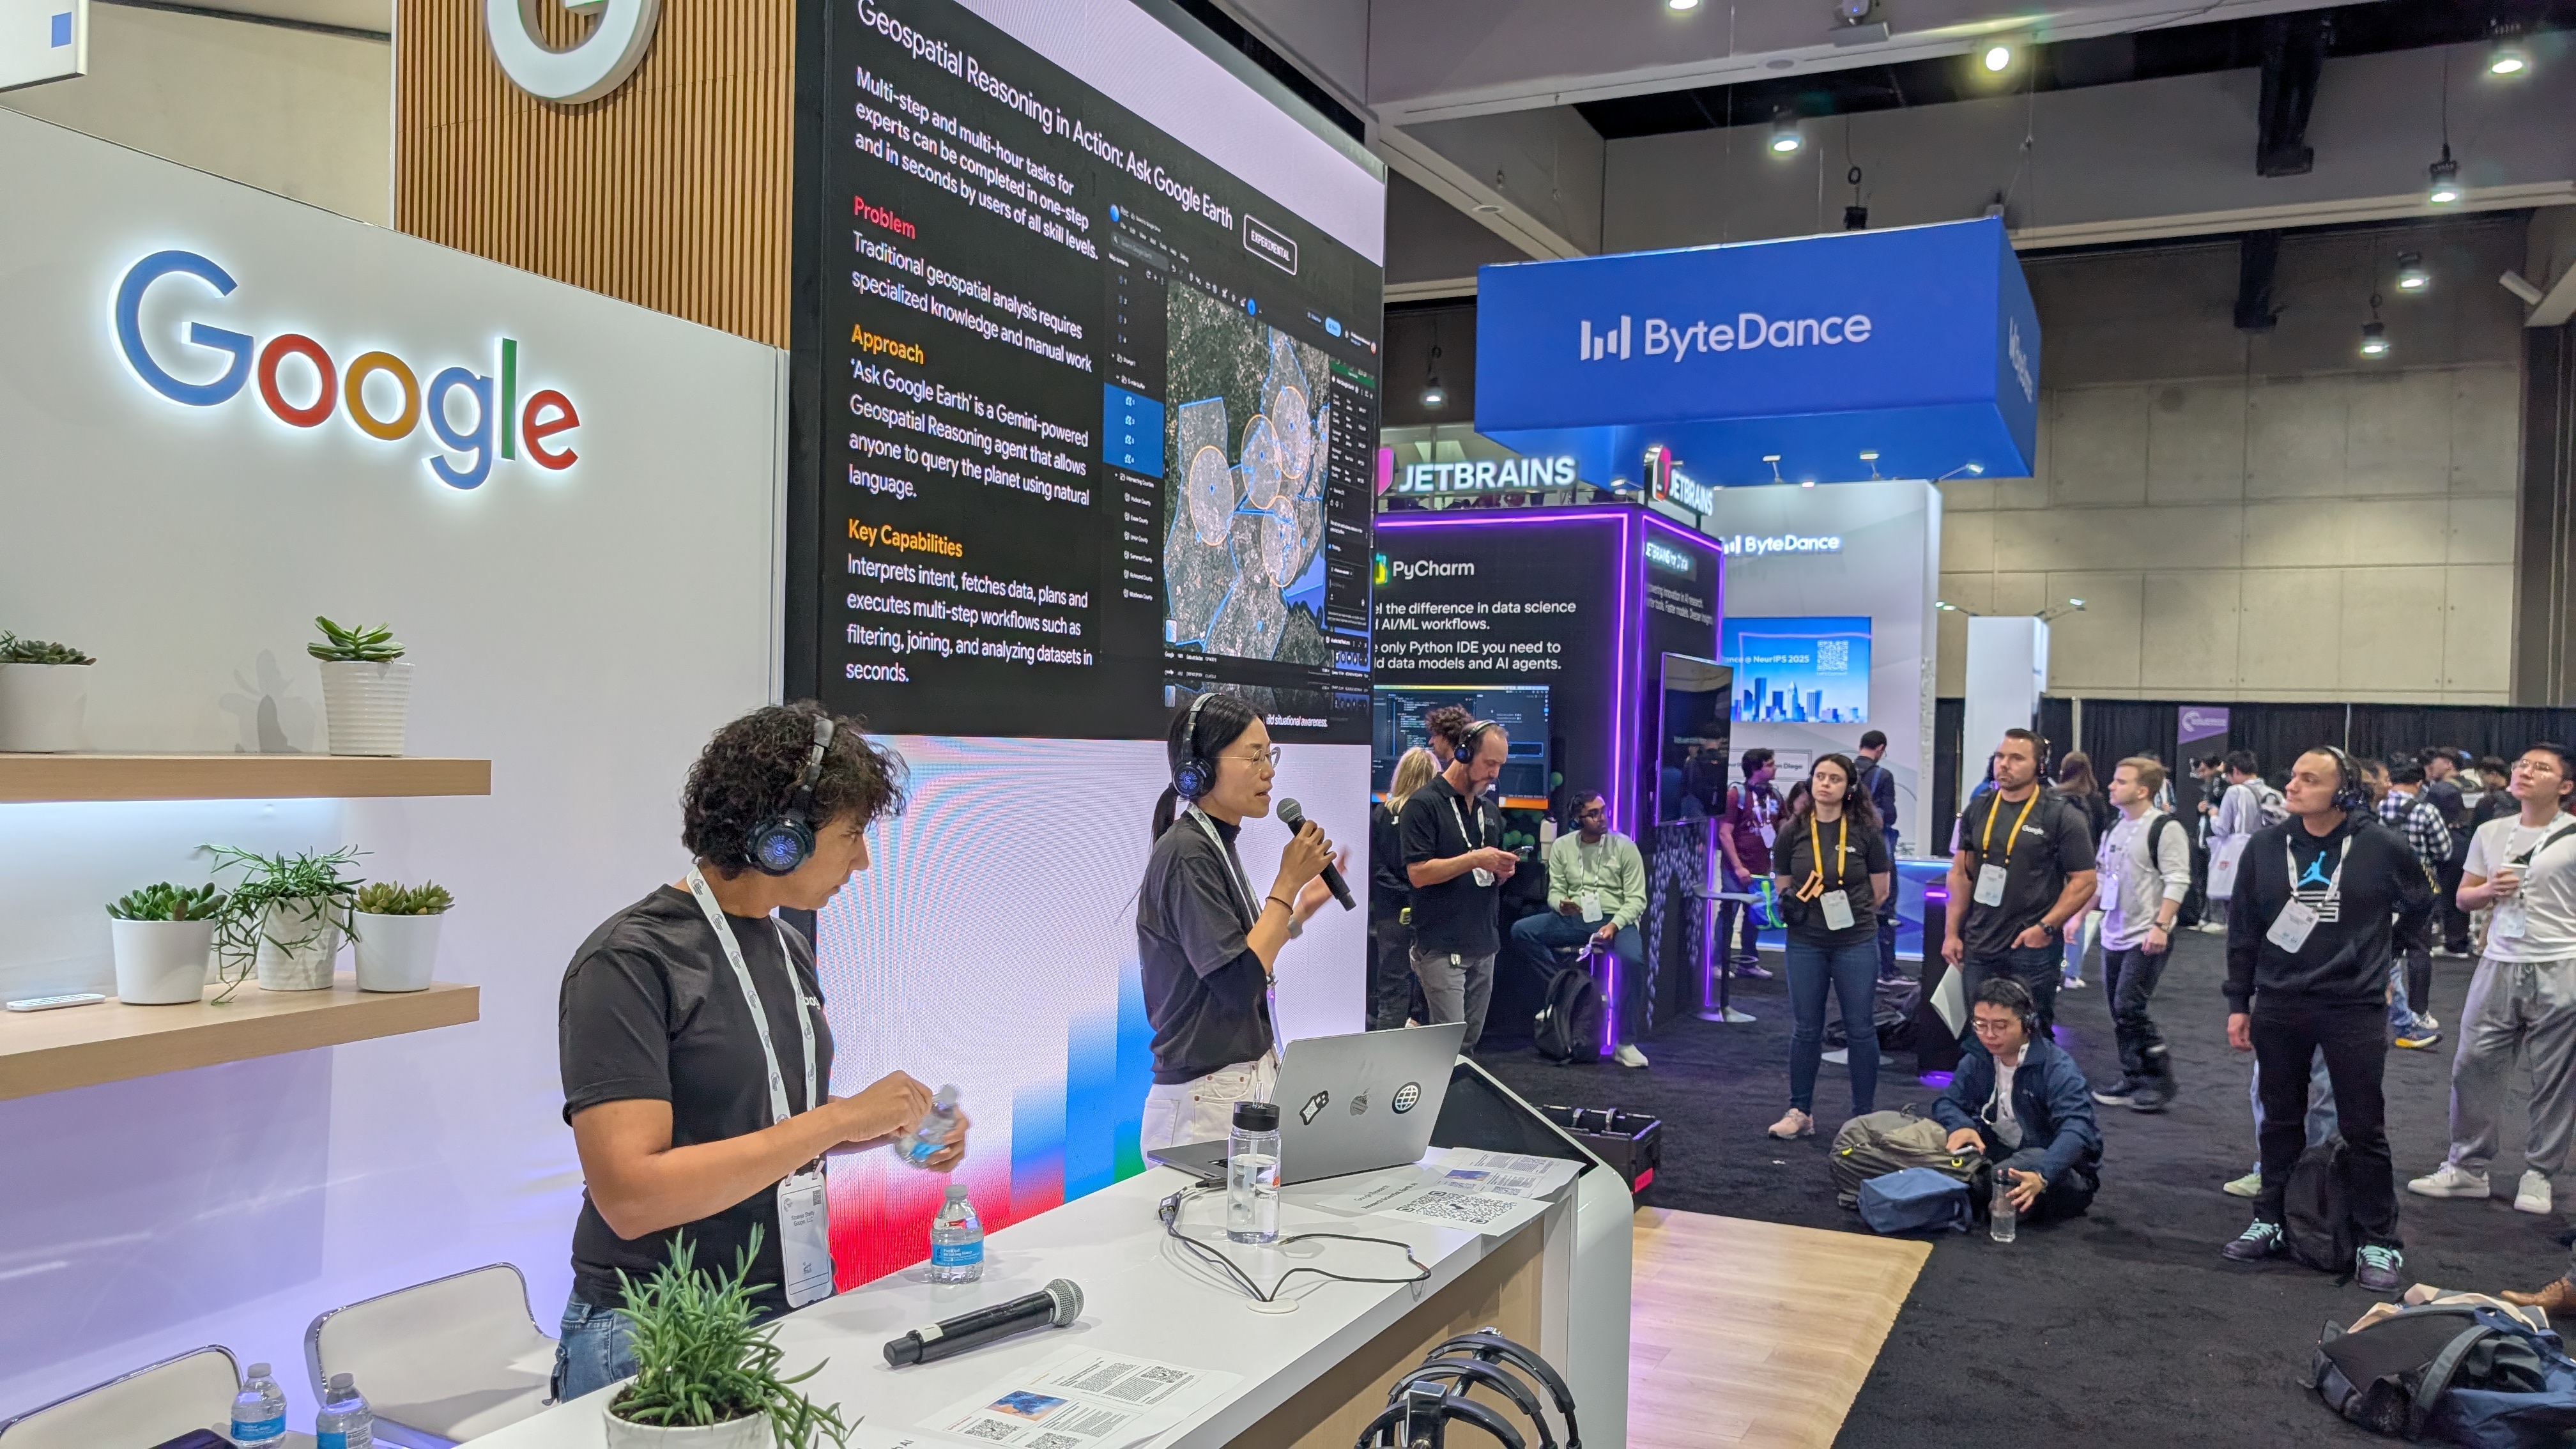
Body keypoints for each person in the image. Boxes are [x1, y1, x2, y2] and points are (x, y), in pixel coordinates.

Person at [554, 703, 968, 1399]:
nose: (864, 860)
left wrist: (883, 1127)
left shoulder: (785, 946)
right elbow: (630, 1194)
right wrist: (837, 1120)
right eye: (852, 836)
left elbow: (757, 1122)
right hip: (653, 1330)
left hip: (783, 1309)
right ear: (782, 840)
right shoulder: (627, 962)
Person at [2220, 747, 2432, 1292]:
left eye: (2308, 779)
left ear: (2342, 792)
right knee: (2279, 1122)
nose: (2292, 785)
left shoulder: (2380, 847)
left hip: (2352, 1006)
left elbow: (2421, 903)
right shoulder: (2267, 847)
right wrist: (2238, 1003)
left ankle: (2378, 1242)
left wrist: (2385, 957)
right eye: (2292, 774)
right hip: (2281, 1003)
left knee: (2363, 1129)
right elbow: (2243, 930)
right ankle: (2271, 1219)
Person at [1135, 693, 1340, 1151]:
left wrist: (1301, 907)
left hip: (1232, 1087)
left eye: (1271, 755)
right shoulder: (1188, 852)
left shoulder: (1214, 844)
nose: (1269, 770)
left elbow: (1247, 950)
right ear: (1201, 767)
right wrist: (1286, 883)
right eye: (1254, 756)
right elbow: (1236, 980)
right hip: (1205, 1099)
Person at [2408, 744, 2576, 1216]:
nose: (2525, 771)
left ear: (2565, 786)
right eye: (2523, 764)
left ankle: (2540, 1173)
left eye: (2541, 768)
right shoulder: (2490, 831)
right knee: (2472, 1066)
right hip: (2498, 962)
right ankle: (2467, 1167)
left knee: (2555, 1080)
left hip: (2562, 964)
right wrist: (2487, 891)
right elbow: (2462, 899)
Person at [1766, 753, 1894, 1139]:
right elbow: (1783, 883)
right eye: (1820, 777)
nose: (1825, 784)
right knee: (1806, 1029)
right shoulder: (1793, 830)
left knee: (1860, 1028)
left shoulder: (1867, 832)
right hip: (1806, 941)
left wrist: (1850, 913)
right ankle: (1799, 1111)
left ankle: (1862, 1118)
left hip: (1855, 940)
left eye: (1835, 779)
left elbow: (1881, 891)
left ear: (1849, 787)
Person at [1943, 729, 2097, 1041]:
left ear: (2040, 766)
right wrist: (1951, 933)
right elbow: (1961, 873)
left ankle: (2030, 1091)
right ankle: (1986, 1090)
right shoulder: (1978, 809)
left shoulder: (2061, 814)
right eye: (2000, 757)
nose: (2004, 765)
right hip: (1981, 939)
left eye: (2016, 758)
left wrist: (2046, 927)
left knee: (2032, 1031)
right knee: (1980, 1031)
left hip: (2031, 945)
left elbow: (2084, 881)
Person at [1933, 977, 2103, 1223]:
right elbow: (1947, 1103)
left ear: (2028, 1024)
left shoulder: (2057, 1067)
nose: (1989, 1035)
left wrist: (2042, 1175)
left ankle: (1967, 1192)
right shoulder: (1977, 1059)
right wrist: (1962, 1126)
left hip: (2054, 1167)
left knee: (2014, 1170)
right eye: (1980, 1025)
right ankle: (1972, 1193)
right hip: (1999, 1152)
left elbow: (2078, 1130)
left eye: (2000, 1026)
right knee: (1934, 1139)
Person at [1508, 790, 1650, 1068]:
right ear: (1577, 819)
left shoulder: (1625, 847)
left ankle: (1626, 1042)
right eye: (1593, 814)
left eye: (1603, 810)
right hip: (1574, 917)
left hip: (1617, 919)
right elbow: (1555, 892)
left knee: (1633, 960)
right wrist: (1561, 905)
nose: (1602, 818)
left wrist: (1614, 924)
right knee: (1521, 932)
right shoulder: (1563, 846)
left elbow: (1637, 899)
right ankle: (1565, 991)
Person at [1402, 719, 1517, 1052]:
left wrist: (1501, 871)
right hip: (1441, 946)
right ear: (1464, 753)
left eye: (1500, 765)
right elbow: (1419, 873)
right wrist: (1475, 859)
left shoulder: (1490, 812)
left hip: (1483, 943)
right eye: (1489, 763)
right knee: (1448, 1048)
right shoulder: (1424, 805)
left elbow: (1484, 873)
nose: (1494, 773)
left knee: (1467, 1045)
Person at [2089, 757, 2193, 1113]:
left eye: (2120, 782)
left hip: (2147, 934)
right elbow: (2102, 877)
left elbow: (2178, 879)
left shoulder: (2165, 828)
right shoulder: (2114, 829)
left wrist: (2161, 925)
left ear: (2142, 790)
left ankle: (2159, 1080)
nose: (2111, 787)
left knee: (2130, 1007)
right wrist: (2076, 917)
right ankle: (2133, 1076)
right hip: (2113, 932)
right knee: (2119, 1011)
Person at [2379, 761, 2452, 1049]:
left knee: (2383, 949)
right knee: (2419, 948)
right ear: (2419, 784)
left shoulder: (2375, 808)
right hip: (2418, 888)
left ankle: (2388, 1011)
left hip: (2380, 885)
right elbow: (2444, 851)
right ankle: (2418, 1013)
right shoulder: (2425, 810)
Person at [1368, 748, 1437, 1031]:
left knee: (1393, 982)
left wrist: (1400, 890)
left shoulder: (1381, 814)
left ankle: (1387, 1052)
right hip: (1430, 907)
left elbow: (1377, 867)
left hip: (1390, 912)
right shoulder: (1433, 815)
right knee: (1432, 982)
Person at [1718, 749, 1782, 981]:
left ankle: (1748, 963)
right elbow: (1725, 833)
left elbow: (1781, 829)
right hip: (1737, 867)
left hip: (1762, 866)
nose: (1775, 769)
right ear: (1757, 769)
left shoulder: (1775, 795)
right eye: (1771, 764)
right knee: (1729, 913)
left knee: (1755, 916)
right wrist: (1737, 867)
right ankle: (1719, 963)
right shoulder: (1736, 795)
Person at [2055, 751, 2114, 990]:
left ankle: (2055, 970)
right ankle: (2072, 973)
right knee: (2076, 915)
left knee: (2056, 916)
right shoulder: (2096, 800)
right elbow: (2103, 834)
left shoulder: (2055, 798)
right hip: (2085, 866)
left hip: (2057, 866)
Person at [2207, 750, 2280, 925]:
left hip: (2241, 858)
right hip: (2269, 861)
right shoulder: (2274, 794)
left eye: (2228, 775)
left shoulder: (2235, 792)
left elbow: (2222, 829)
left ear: (2236, 771)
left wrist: (2213, 816)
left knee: (2237, 918)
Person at [1852, 729, 1903, 980]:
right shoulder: (1883, 775)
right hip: (1878, 850)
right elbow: (1889, 815)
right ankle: (1887, 971)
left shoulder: (1844, 772)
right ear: (1881, 749)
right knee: (1884, 905)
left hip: (1847, 849)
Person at [2423, 747, 2477, 958]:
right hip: (2472, 842)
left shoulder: (2440, 790)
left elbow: (2426, 817)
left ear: (2448, 764)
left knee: (2450, 894)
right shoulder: (2474, 785)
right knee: (2464, 891)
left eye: (2435, 763)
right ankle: (2461, 939)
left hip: (2449, 845)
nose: (2431, 767)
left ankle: (2454, 943)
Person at [1422, 704, 1470, 772]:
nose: (1430, 742)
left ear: (1446, 738)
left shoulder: (1450, 777)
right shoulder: (1469, 770)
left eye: (1434, 736)